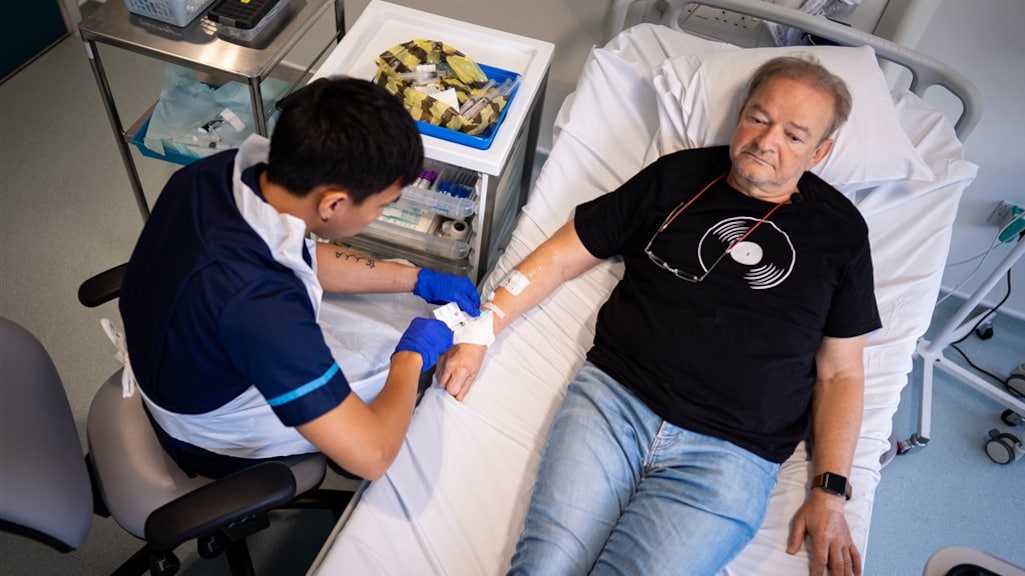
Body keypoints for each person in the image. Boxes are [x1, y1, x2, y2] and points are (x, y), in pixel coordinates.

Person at [436, 55, 878, 576]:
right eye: (759, 118)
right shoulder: (676, 178)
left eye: (794, 135)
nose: (766, 141)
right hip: (615, 404)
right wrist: (482, 330)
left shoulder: (841, 234)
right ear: (740, 114)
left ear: (820, 152)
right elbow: (561, 256)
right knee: (543, 567)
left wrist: (829, 490)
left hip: (731, 454)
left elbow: (842, 371)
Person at [118, 77, 479, 481]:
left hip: (180, 351)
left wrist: (414, 278)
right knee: (387, 375)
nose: (380, 215)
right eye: (382, 205)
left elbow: (296, 253)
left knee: (388, 312)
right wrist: (410, 356)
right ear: (333, 203)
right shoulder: (259, 308)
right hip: (212, 431)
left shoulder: (219, 176)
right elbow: (374, 455)